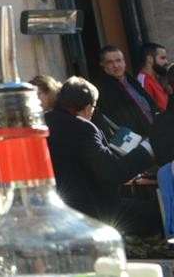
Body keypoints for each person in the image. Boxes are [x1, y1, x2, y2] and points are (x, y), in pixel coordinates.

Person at [46, 77, 157, 235]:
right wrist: (147, 149)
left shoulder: (45, 122)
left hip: (56, 211)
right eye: (94, 107)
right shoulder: (84, 129)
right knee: (157, 213)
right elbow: (113, 173)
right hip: (91, 212)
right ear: (87, 107)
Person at [93, 45, 157, 138]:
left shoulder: (132, 81)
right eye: (110, 62)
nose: (116, 65)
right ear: (103, 65)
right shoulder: (103, 91)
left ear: (124, 62)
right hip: (136, 139)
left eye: (118, 60)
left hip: (154, 132)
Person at [137, 41, 171, 113]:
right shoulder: (143, 81)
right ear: (149, 59)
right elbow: (148, 113)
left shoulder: (158, 76)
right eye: (162, 58)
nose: (166, 62)